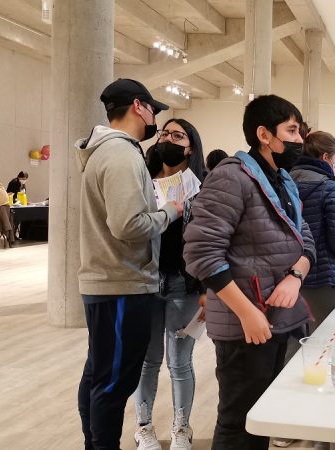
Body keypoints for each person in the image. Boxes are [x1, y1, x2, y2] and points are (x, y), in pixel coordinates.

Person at [183, 94, 316, 450]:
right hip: (245, 325)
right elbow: (202, 254)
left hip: (277, 319)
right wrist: (247, 312)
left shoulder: (284, 180)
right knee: (238, 423)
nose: (299, 139)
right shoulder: (232, 177)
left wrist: (295, 276)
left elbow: (307, 242)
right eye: (291, 130)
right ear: (263, 134)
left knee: (260, 420)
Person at [76, 78, 182, 450]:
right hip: (121, 282)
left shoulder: (106, 152)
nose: (154, 118)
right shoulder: (121, 154)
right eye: (153, 109)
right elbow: (127, 225)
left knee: (99, 374)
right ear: (138, 106)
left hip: (108, 281)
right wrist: (169, 211)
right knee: (113, 381)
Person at [133, 118, 206, 450]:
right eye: (164, 133)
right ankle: (143, 426)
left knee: (180, 362)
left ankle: (181, 427)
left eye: (178, 135)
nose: (168, 139)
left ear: (190, 146)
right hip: (145, 282)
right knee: (147, 360)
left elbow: (208, 241)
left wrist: (207, 288)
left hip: (183, 284)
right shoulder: (140, 182)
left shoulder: (200, 187)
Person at [289, 131, 335, 331]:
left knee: (294, 352)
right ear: (325, 157)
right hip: (323, 277)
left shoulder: (283, 183)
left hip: (287, 279)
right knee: (327, 346)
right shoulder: (330, 188)